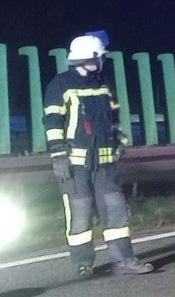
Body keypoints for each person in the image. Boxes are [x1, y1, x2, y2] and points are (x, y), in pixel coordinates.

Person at [43, 35, 154, 277]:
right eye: (99, 57)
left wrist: (118, 141)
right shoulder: (60, 85)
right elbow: (52, 122)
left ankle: (123, 260)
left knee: (115, 210)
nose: (102, 61)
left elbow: (113, 117)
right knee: (80, 215)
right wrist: (58, 155)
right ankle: (82, 264)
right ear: (88, 59)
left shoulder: (103, 83)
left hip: (105, 164)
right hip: (75, 166)